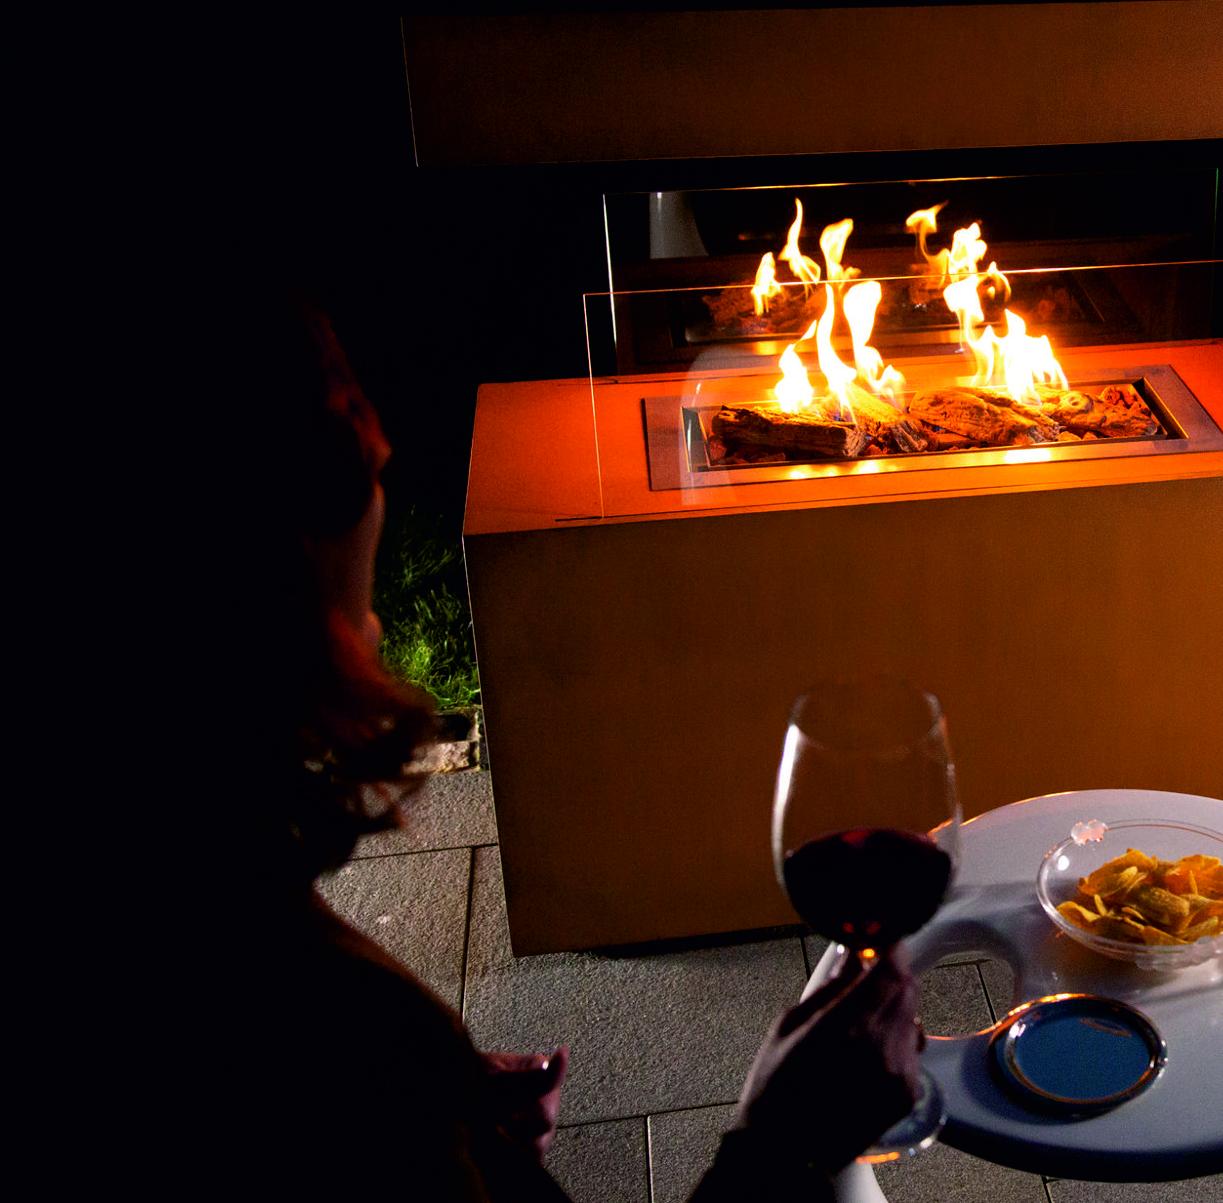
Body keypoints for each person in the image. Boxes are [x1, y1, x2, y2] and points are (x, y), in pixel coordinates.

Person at [111, 285, 920, 1200]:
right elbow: (318, 1087)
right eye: (356, 456)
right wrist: (783, 1140)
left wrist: (453, 1128)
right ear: (272, 550)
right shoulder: (291, 1018)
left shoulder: (166, 873)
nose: (380, 483)